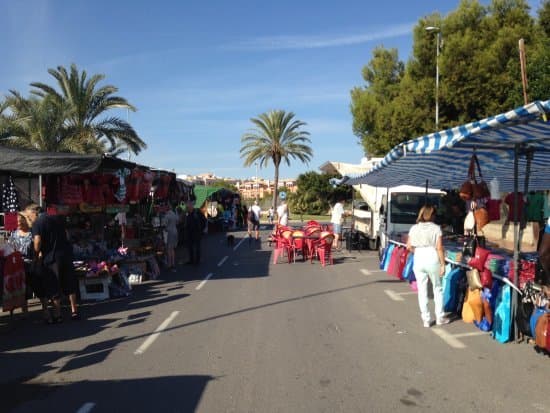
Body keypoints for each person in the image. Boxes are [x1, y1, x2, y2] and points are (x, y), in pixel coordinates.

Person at [25, 204, 80, 322]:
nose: (29, 219)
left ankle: (57, 314)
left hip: (51, 257)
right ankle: (74, 311)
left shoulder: (37, 223)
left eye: (29, 217)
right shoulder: (58, 218)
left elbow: (37, 241)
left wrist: (36, 255)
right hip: (65, 254)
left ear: (35, 213)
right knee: (69, 283)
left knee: (54, 285)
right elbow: (67, 235)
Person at [406, 205, 449, 327]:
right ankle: (440, 316)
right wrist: (442, 264)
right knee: (437, 287)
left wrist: (418, 252)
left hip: (419, 257)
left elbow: (408, 246)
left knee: (422, 289)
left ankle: (426, 319)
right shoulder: (436, 228)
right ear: (432, 215)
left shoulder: (414, 228)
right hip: (432, 255)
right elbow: (439, 248)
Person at [6, 212, 33, 316]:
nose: (18, 223)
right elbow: (10, 247)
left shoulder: (31, 233)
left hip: (29, 263)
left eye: (20, 221)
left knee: (31, 286)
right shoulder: (14, 234)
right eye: (17, 222)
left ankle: (44, 308)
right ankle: (23, 310)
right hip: (17, 264)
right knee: (20, 287)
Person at [183, 200, 207, 265]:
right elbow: (185, 222)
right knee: (190, 246)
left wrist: (201, 229)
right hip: (189, 232)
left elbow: (204, 220)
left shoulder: (197, 212)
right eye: (187, 207)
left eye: (188, 206)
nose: (187, 208)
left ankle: (197, 260)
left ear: (191, 206)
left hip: (197, 232)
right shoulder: (187, 213)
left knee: (197, 247)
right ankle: (191, 260)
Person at [162, 205, 179, 272]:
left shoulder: (167, 215)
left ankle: (169, 264)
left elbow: (164, 224)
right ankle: (173, 263)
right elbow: (178, 221)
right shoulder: (174, 214)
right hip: (175, 231)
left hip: (169, 232)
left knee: (169, 249)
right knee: (172, 249)